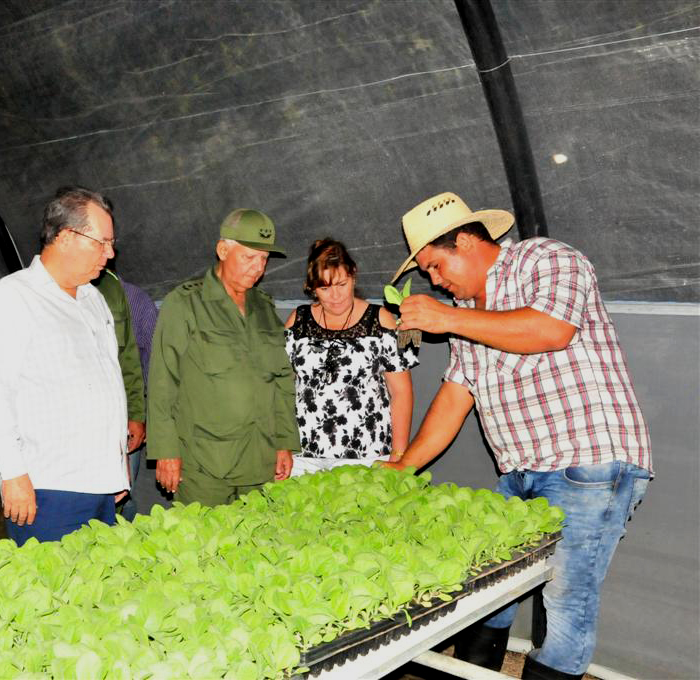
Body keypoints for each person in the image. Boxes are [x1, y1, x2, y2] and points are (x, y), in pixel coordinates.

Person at [385, 191, 652, 680]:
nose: (435, 281)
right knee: (491, 591)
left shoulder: (546, 258)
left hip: (586, 463)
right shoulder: (468, 306)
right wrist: (404, 464)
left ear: (465, 240)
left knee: (566, 601)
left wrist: (446, 318)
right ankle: (473, 670)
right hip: (519, 471)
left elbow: (551, 330)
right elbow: (456, 394)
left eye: (436, 266)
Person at [0, 186, 128, 545]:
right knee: (54, 594)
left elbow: (108, 384)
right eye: (101, 242)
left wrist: (115, 471)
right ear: (67, 236)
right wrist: (12, 474)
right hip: (48, 486)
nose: (110, 253)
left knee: (99, 590)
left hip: (100, 484)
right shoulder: (13, 298)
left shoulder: (93, 299)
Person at [148, 209, 299, 506]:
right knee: (201, 548)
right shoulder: (186, 303)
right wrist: (166, 451)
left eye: (264, 260)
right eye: (249, 257)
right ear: (223, 250)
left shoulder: (265, 308)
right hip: (205, 464)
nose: (258, 268)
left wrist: (284, 444)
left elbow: (281, 382)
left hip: (259, 460)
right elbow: (163, 381)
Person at [284, 239, 416, 473]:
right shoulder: (298, 321)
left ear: (353, 274)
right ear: (312, 287)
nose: (335, 296)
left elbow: (401, 392)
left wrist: (399, 454)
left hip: (368, 454)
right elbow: (283, 386)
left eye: (341, 284)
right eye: (324, 288)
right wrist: (281, 446)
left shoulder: (380, 320)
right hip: (305, 455)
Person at [91, 269, 146, 517]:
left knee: (124, 493)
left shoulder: (120, 292)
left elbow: (133, 358)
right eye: (101, 243)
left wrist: (138, 413)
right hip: (81, 423)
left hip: (120, 417)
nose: (108, 251)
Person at [118, 278, 158, 519]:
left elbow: (156, 362)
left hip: (127, 416)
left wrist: (147, 415)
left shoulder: (135, 300)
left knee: (125, 491)